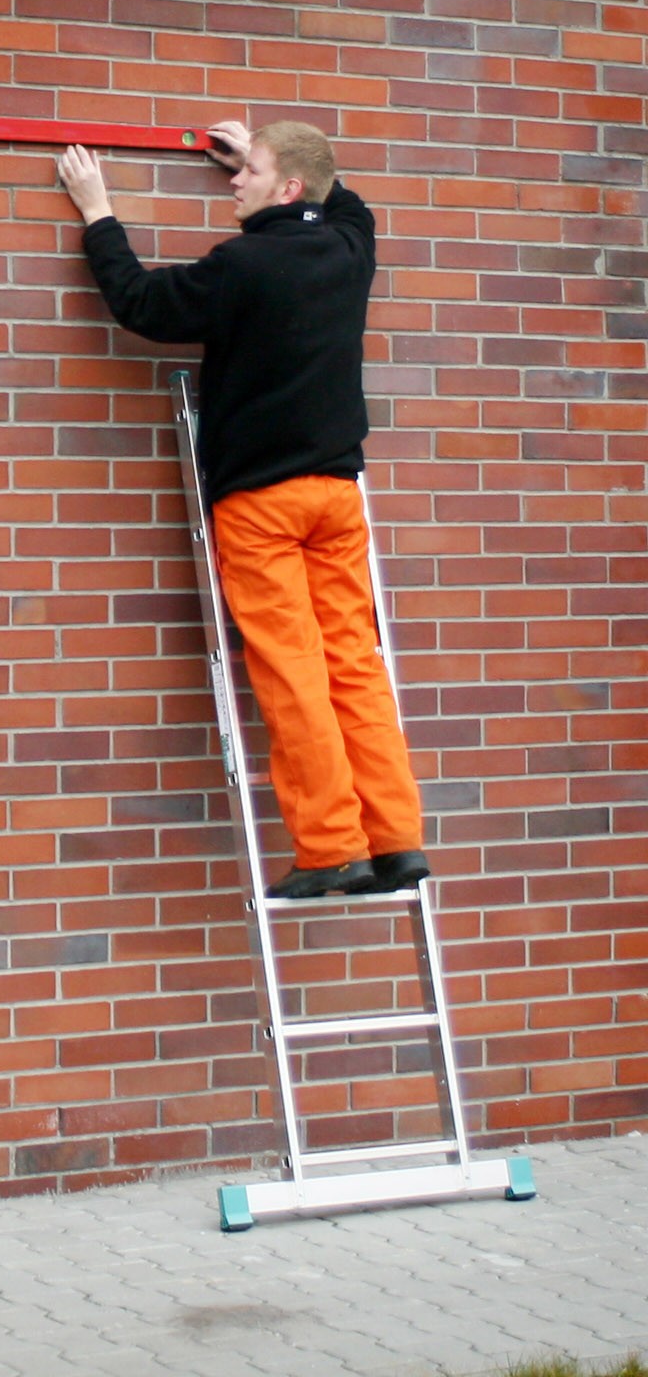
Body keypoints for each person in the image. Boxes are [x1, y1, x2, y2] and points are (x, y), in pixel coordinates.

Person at [57, 120, 429, 900]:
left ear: (286, 189)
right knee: (354, 668)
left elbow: (144, 304)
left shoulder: (242, 266)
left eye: (250, 171)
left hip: (262, 502)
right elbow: (350, 206)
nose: (235, 180)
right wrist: (278, 159)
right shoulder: (348, 249)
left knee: (293, 675)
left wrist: (97, 212)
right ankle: (394, 838)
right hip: (336, 496)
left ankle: (331, 849)